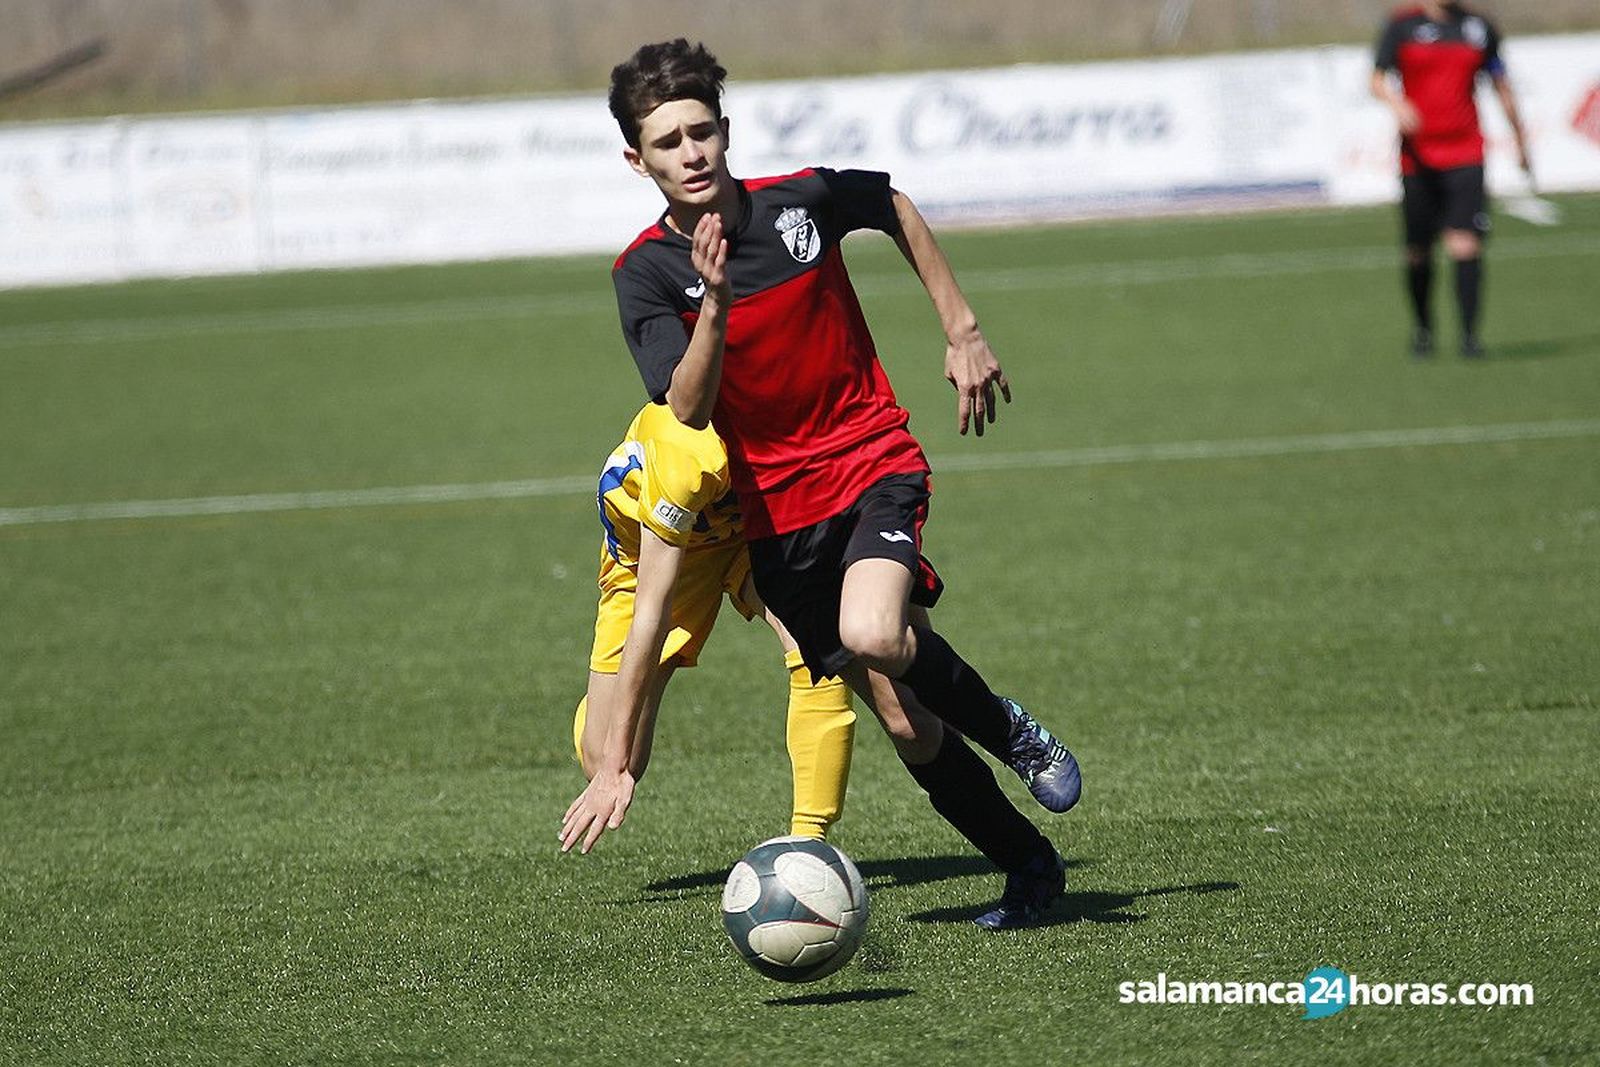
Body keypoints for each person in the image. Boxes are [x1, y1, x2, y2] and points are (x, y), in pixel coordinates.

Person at [604, 39, 1082, 930]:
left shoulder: (800, 203)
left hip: (870, 460)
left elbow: (890, 202)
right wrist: (711, 300)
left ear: (726, 130)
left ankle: (1016, 730)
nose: (692, 153)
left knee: (875, 629)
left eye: (702, 131)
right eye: (667, 142)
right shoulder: (645, 274)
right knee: (907, 721)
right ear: (638, 159)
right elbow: (690, 409)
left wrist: (961, 326)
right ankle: (1030, 864)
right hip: (778, 517)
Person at [558, 401, 856, 855]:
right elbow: (651, 613)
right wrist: (614, 765)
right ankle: (607, 712)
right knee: (609, 759)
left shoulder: (795, 418)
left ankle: (808, 843)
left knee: (818, 639)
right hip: (648, 558)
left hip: (748, 539)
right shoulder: (688, 453)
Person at [1370, 0, 1532, 359]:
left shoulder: (1477, 27)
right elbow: (1377, 79)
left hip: (1466, 153)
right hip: (1417, 158)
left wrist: (1520, 138)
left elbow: (1500, 84)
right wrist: (1399, 105)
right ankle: (1424, 329)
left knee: (1465, 244)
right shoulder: (1403, 25)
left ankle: (1470, 337)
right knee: (1418, 251)